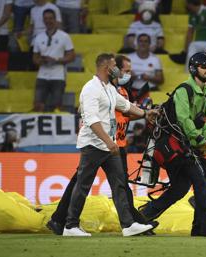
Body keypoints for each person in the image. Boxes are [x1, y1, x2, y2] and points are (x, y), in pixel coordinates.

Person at [47, 54, 157, 236]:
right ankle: (70, 226)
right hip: (93, 145)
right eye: (114, 65)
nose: (117, 69)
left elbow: (126, 106)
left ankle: (128, 225)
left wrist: (146, 113)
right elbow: (91, 120)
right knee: (83, 184)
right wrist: (108, 141)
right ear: (107, 67)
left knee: (119, 184)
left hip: (108, 145)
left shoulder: (109, 89)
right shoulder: (91, 89)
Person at [140, 52, 206, 237]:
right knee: (202, 185)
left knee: (180, 188)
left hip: (187, 147)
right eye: (204, 66)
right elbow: (184, 119)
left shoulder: (205, 94)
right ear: (193, 69)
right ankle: (205, 227)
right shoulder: (185, 90)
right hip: (178, 147)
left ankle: (144, 216)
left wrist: (205, 140)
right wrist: (198, 138)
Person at [32, 8, 75, 112]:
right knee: (38, 105)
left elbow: (72, 56)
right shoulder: (38, 37)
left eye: (50, 18)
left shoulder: (64, 36)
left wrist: (56, 60)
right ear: (43, 20)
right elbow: (35, 57)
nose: (48, 21)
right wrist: (41, 61)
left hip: (58, 75)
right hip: (42, 74)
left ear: (55, 20)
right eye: (46, 18)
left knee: (58, 106)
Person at [184, 0, 206, 69]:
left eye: (187, 4)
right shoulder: (192, 14)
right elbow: (189, 33)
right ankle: (189, 74)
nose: (186, 6)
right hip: (198, 43)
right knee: (191, 49)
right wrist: (186, 50)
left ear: (190, 4)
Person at [128, 33, 164, 98]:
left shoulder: (155, 59)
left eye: (146, 41)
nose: (143, 43)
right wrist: (129, 76)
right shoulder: (129, 58)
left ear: (149, 44)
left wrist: (149, 78)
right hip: (133, 90)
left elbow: (161, 80)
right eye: (141, 41)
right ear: (137, 43)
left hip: (151, 90)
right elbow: (120, 77)